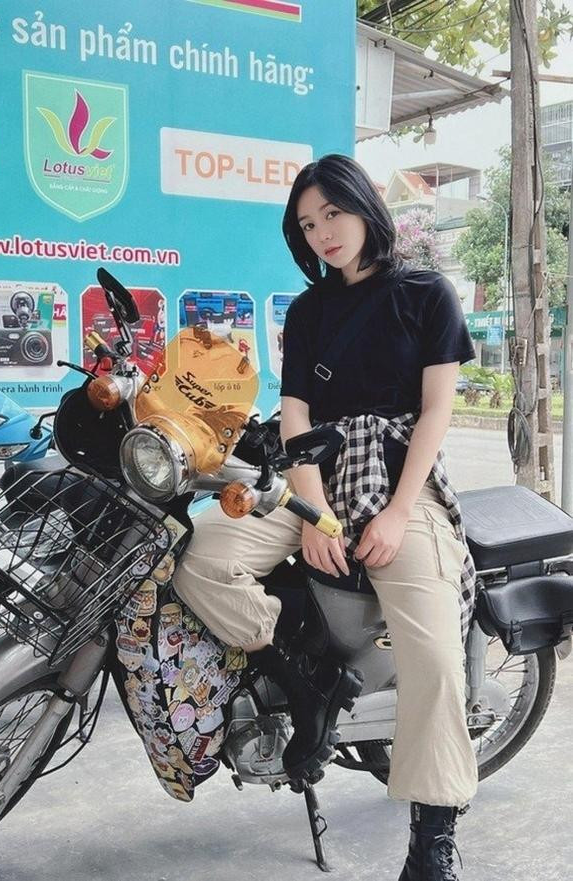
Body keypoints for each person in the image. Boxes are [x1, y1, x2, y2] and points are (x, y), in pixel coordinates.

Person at [173, 154, 478, 880]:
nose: (322, 234)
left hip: (399, 478)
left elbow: (437, 411)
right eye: (307, 225)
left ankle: (432, 836)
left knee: (435, 655)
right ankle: (299, 676)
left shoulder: (427, 293)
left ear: (365, 206)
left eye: (331, 215)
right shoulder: (309, 311)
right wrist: (312, 513)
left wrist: (398, 514)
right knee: (198, 554)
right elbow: (297, 416)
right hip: (313, 475)